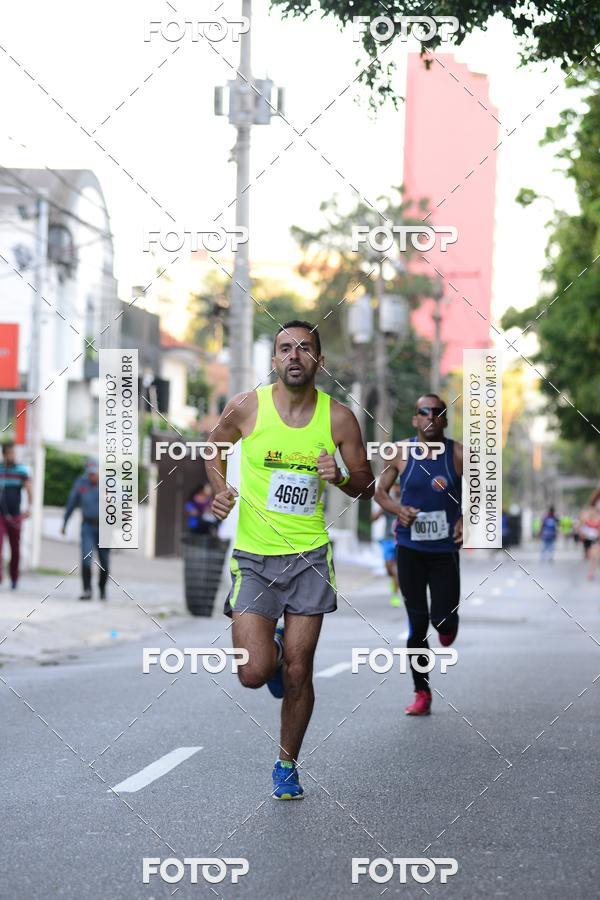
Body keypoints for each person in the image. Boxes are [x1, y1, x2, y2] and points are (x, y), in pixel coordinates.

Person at [206, 320, 374, 799]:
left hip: (309, 559)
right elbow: (213, 449)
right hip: (254, 558)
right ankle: (273, 652)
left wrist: (340, 476)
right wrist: (221, 489)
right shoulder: (246, 407)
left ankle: (286, 764)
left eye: (304, 348)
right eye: (285, 348)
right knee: (253, 672)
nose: (294, 355)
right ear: (274, 359)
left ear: (319, 360)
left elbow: (366, 485)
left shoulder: (338, 419)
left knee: (300, 670)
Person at [374, 394, 463, 717]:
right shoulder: (400, 452)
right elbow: (379, 492)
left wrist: (466, 519)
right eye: (424, 412)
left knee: (442, 619)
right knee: (417, 625)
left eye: (437, 412)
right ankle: (421, 691)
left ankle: (448, 624)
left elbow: (482, 493)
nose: (430, 417)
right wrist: (398, 509)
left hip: (444, 551)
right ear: (415, 419)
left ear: (444, 420)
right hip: (409, 549)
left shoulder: (458, 454)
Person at [61, 458, 110, 600]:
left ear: (100, 471)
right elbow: (72, 503)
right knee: (86, 559)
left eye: (94, 473)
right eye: (89, 473)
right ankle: (87, 590)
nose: (92, 476)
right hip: (87, 526)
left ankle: (102, 588)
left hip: (104, 527)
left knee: (105, 562)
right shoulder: (81, 483)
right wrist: (64, 523)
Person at [0, 441, 32, 589]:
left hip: (15, 516)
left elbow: (29, 489)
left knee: (15, 549)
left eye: (14, 453)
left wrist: (29, 508)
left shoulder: (21, 471)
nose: (12, 456)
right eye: (10, 453)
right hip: (1, 516)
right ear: (4, 454)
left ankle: (14, 578)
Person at [372, 483, 402, 607]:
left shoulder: (407, 501)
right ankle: (394, 583)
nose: (397, 489)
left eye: (399, 486)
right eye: (396, 486)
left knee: (396, 571)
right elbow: (373, 518)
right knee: (389, 569)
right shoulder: (387, 502)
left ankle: (395, 595)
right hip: (387, 540)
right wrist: (381, 508)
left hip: (400, 541)